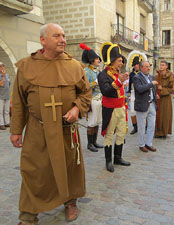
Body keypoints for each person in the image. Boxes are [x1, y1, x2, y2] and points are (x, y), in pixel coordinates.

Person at [10, 23, 92, 225]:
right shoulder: (27, 67)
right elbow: (19, 102)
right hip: (38, 130)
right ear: (43, 40)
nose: (62, 39)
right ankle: (28, 215)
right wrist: (16, 131)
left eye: (63, 35)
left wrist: (76, 108)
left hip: (66, 130)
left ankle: (70, 202)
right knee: (34, 170)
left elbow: (86, 93)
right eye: (57, 36)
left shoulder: (74, 66)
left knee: (70, 167)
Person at [98, 42, 131, 173]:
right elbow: (106, 91)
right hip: (110, 110)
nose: (121, 63)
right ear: (111, 61)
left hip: (121, 108)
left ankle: (118, 157)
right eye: (119, 61)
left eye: (122, 61)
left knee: (122, 133)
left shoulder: (117, 73)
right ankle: (108, 161)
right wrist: (119, 81)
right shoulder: (103, 75)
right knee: (109, 135)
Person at [80, 43, 104, 152]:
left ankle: (94, 141)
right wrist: (94, 83)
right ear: (91, 60)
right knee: (91, 122)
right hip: (92, 99)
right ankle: (90, 144)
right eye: (97, 59)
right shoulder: (86, 71)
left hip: (99, 99)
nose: (99, 60)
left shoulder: (97, 71)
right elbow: (84, 87)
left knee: (97, 121)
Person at [133, 61, 158, 152]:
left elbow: (153, 90)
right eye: (146, 66)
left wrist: (155, 98)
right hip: (142, 105)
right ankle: (141, 144)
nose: (148, 68)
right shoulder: (137, 77)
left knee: (152, 125)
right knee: (142, 126)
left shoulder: (151, 77)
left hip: (151, 104)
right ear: (141, 68)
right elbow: (140, 89)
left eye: (149, 66)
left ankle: (149, 143)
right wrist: (151, 84)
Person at [126, 50, 148, 135]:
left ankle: (145, 126)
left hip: (141, 93)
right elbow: (130, 83)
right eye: (135, 65)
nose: (136, 66)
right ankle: (135, 127)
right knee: (132, 111)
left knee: (143, 110)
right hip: (133, 92)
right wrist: (128, 93)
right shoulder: (131, 74)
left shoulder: (144, 74)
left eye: (137, 65)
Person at [154, 61, 174, 139]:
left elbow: (171, 89)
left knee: (165, 115)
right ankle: (157, 132)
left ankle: (164, 133)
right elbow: (154, 87)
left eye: (163, 65)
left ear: (166, 66)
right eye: (160, 65)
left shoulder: (170, 76)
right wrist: (156, 93)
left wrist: (162, 89)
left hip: (166, 99)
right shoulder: (157, 76)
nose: (161, 66)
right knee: (157, 115)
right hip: (158, 98)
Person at [0, 62, 10, 130]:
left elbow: (8, 84)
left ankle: (7, 122)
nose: (2, 68)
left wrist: (5, 75)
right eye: (1, 67)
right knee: (0, 111)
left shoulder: (7, 75)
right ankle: (1, 124)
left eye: (3, 66)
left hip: (7, 95)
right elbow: (1, 84)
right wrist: (3, 76)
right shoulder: (3, 75)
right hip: (0, 96)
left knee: (6, 110)